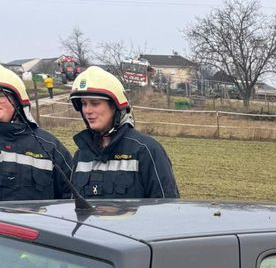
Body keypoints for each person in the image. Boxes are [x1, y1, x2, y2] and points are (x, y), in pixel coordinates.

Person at [70, 66, 179, 199]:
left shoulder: (147, 151)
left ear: (115, 107)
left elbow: (166, 208)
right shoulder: (81, 155)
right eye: (84, 103)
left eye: (95, 103)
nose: (87, 110)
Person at [0, 64, 73, 202]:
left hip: (34, 224)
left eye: (0, 95)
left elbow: (70, 197)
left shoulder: (49, 147)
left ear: (17, 101)